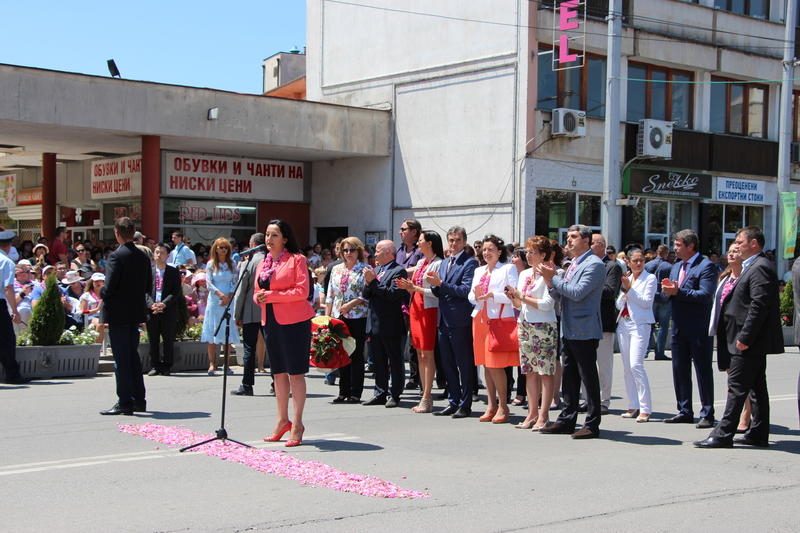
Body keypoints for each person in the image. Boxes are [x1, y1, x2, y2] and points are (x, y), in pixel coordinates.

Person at [695, 226, 782, 448]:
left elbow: (758, 306)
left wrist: (745, 337)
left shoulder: (760, 267)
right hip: (744, 337)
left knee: (736, 386)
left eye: (740, 242)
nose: (737, 246)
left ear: (753, 243)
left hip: (748, 340)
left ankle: (723, 434)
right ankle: (758, 433)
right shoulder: (751, 266)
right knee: (756, 387)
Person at [537, 224, 605, 439]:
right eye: (568, 236)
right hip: (568, 328)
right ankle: (567, 419)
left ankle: (592, 423)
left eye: (573, 236)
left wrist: (554, 278)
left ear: (586, 240)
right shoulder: (573, 263)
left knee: (588, 377)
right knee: (570, 377)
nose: (568, 240)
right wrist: (550, 283)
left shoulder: (594, 264)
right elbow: (562, 295)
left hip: (584, 329)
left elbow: (577, 293)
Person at [254, 219, 315, 447]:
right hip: (270, 320)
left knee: (295, 374)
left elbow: (302, 291)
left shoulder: (297, 260)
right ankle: (282, 420)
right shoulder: (263, 262)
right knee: (278, 373)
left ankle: (297, 424)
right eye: (267, 235)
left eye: (274, 235)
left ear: (285, 239)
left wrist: (270, 296)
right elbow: (257, 291)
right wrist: (259, 297)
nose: (269, 239)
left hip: (295, 322)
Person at [661, 229, 717, 428]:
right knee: (679, 370)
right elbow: (669, 294)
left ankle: (707, 413)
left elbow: (705, 295)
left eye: (678, 245)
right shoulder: (676, 266)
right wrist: (666, 291)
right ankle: (684, 410)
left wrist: (678, 291)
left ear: (690, 245)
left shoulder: (706, 266)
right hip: (678, 326)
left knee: (702, 370)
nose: (674, 249)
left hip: (698, 327)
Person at [99, 218, 152, 415]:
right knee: (132, 357)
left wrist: (102, 293)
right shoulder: (143, 256)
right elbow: (148, 286)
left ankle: (125, 402)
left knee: (121, 359)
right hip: (135, 312)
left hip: (118, 313)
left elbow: (109, 287)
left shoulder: (116, 256)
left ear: (117, 233)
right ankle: (139, 399)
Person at [427, 226, 478, 419]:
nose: (454, 244)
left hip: (460, 320)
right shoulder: (444, 263)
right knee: (447, 363)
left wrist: (441, 284)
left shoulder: (470, 263)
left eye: (457, 240)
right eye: (451, 240)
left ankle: (465, 403)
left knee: (464, 363)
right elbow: (439, 291)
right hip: (444, 319)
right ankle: (453, 401)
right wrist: (434, 285)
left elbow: (465, 291)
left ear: (464, 242)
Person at [506, 236, 557, 430]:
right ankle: (532, 413)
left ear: (543, 255)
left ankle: (544, 415)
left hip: (544, 326)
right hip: (525, 324)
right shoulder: (525, 274)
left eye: (532, 252)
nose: (528, 255)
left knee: (545, 372)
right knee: (529, 371)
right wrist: (513, 298)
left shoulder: (550, 273)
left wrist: (521, 297)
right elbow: (520, 304)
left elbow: (547, 304)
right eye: (527, 252)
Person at [467, 235, 519, 424]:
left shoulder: (507, 268)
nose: (486, 253)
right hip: (480, 318)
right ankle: (491, 405)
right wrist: (477, 296)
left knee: (495, 365)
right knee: (485, 364)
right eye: (484, 249)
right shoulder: (478, 270)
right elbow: (471, 297)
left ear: (499, 252)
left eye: (491, 249)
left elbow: (514, 294)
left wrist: (493, 296)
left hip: (498, 319)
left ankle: (503, 405)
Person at [396, 230, 444, 413]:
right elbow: (415, 287)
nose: (418, 243)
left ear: (430, 243)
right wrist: (408, 287)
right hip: (416, 307)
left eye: (421, 240)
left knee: (427, 353)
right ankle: (425, 393)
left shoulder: (438, 263)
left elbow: (437, 292)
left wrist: (414, 287)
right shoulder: (421, 262)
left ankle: (427, 396)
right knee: (419, 353)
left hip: (429, 309)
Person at [708, 243, 752, 432]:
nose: (732, 253)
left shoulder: (747, 276)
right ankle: (735, 412)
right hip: (724, 331)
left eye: (736, 250)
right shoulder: (725, 277)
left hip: (740, 332)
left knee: (740, 376)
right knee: (730, 374)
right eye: (730, 251)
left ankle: (746, 414)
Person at [362, 240, 409, 407]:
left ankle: (395, 393)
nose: (375, 254)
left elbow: (392, 294)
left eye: (378, 251)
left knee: (395, 360)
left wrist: (373, 282)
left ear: (389, 252)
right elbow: (366, 294)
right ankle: (380, 392)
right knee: (379, 361)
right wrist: (368, 282)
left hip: (391, 324)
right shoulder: (376, 270)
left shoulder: (399, 271)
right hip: (375, 324)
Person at [326, 237, 369, 403]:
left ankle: (355, 392)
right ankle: (343, 391)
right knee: (341, 353)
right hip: (339, 316)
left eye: (352, 250)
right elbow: (330, 294)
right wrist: (327, 317)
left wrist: (351, 304)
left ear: (358, 251)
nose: (348, 253)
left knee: (356, 354)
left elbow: (367, 294)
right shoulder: (336, 269)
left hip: (357, 316)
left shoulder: (364, 269)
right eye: (345, 250)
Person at [616, 248, 655, 423]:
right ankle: (633, 404)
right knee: (627, 367)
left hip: (640, 325)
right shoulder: (628, 277)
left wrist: (629, 290)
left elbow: (646, 303)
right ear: (629, 262)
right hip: (624, 324)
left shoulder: (650, 278)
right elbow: (619, 304)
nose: (639, 263)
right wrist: (625, 292)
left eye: (641, 260)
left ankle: (645, 408)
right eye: (635, 261)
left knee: (636, 365)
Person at [589, 234, 622, 415]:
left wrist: (587, 286)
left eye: (591, 243)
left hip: (603, 322)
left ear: (601, 245)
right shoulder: (584, 264)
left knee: (604, 364)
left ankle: (603, 401)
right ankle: (587, 399)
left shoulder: (612, 266)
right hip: (586, 321)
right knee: (586, 364)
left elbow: (610, 291)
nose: (588, 246)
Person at [231, 233, 267, 396]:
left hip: (251, 311)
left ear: (252, 245)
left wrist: (237, 314)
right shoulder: (272, 261)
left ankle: (247, 385)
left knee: (249, 349)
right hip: (269, 310)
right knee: (272, 348)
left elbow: (241, 292)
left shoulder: (249, 263)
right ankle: (276, 384)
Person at [201, 238, 239, 375]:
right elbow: (209, 283)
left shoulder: (232, 263)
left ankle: (226, 365)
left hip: (229, 300)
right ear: (215, 249)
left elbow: (235, 281)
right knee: (213, 331)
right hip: (214, 300)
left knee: (227, 332)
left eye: (226, 247)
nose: (223, 250)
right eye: (221, 247)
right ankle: (212, 364)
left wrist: (228, 296)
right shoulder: (211, 264)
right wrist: (221, 295)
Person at [145, 243, 182, 377]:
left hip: (168, 310)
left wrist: (163, 304)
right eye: (156, 252)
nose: (158, 255)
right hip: (152, 310)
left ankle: (167, 366)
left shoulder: (173, 272)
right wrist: (152, 305)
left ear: (167, 255)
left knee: (168, 339)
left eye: (162, 253)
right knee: (153, 339)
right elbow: (144, 291)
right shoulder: (148, 271)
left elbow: (176, 291)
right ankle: (155, 365)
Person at [396, 218, 424, 391]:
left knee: (416, 342)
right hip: (399, 301)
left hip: (415, 300)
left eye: (404, 229)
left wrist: (400, 272)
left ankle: (418, 377)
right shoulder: (399, 251)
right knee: (400, 340)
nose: (400, 232)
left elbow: (421, 269)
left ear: (414, 232)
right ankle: (407, 377)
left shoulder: (420, 251)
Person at [0, 231, 27, 384]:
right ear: (9, 246)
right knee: (7, 339)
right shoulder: (7, 262)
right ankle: (12, 374)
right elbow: (8, 288)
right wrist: (15, 311)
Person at [646, 244, 673, 361]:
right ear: (666, 253)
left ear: (657, 252)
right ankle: (659, 352)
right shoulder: (670, 266)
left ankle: (645, 350)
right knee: (663, 326)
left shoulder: (648, 265)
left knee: (649, 325)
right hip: (664, 298)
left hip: (651, 298)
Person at [79, 273, 106, 344]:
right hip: (90, 317)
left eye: (101, 281)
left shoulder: (107, 295)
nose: (98, 283)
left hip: (104, 316)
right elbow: (83, 312)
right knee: (100, 324)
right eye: (96, 281)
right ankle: (97, 347)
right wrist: (97, 309)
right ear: (92, 282)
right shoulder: (86, 295)